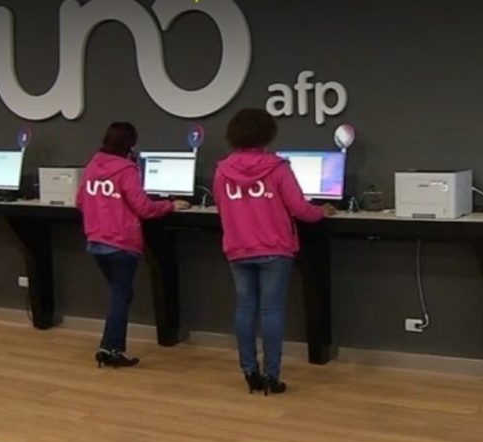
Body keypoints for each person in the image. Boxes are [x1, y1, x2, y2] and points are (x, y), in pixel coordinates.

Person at [213, 109, 336, 395]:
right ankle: (272, 376)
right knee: (271, 311)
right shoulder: (278, 168)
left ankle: (249, 371)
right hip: (274, 249)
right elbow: (299, 209)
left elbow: (221, 206)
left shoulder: (222, 170)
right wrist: (322, 212)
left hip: (238, 247)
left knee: (245, 309)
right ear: (268, 134)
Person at [76, 122, 189, 368]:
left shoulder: (93, 165)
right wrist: (170, 205)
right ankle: (112, 349)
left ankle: (108, 346)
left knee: (121, 294)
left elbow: (80, 201)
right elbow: (143, 208)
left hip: (96, 241)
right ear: (131, 144)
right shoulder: (127, 170)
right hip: (121, 243)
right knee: (121, 295)